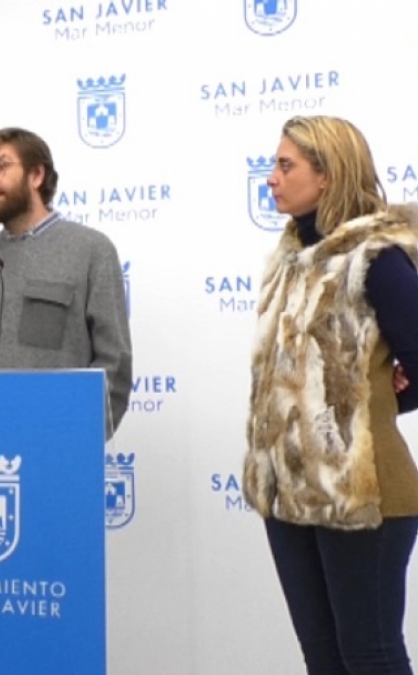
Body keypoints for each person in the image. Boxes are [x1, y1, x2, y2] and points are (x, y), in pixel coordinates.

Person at [243, 115, 418, 674]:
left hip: (363, 494)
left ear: (327, 174)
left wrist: (380, 401)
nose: (271, 177)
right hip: (289, 494)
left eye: (285, 165)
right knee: (323, 659)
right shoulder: (289, 260)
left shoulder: (376, 257)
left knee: (370, 656)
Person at [0, 127, 133, 434]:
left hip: (56, 443)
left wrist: (83, 436)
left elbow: (113, 362)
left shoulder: (91, 251)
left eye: (0, 166)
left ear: (37, 175)